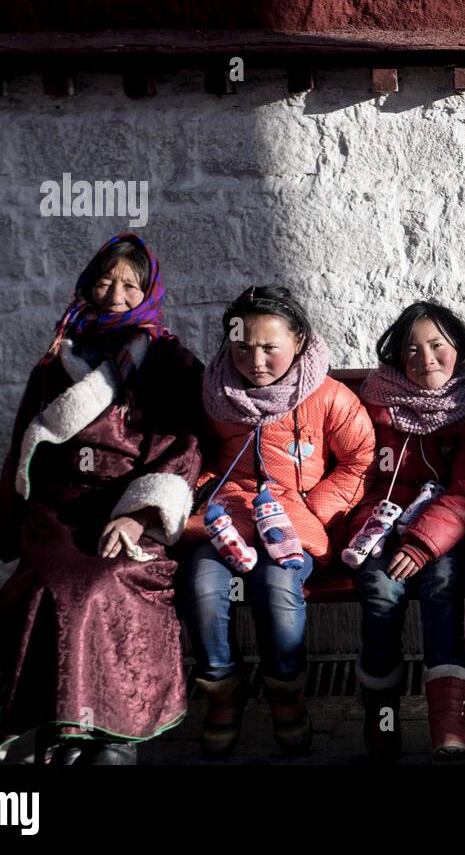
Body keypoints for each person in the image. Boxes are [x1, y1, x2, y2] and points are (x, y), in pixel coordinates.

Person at [0, 233, 205, 764]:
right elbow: (27, 440)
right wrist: (18, 519)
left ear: (149, 290)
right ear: (88, 284)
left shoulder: (170, 360)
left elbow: (185, 445)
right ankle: (59, 729)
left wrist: (138, 517)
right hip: (60, 511)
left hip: (130, 508)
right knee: (48, 584)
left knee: (105, 582)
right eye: (106, 280)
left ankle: (114, 734)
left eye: (131, 284)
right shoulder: (58, 358)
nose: (117, 293)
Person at [180, 285, 375, 757]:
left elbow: (360, 460)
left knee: (277, 584)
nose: (256, 359)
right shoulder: (215, 392)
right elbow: (195, 454)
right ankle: (222, 690)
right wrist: (207, 492)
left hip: (296, 519)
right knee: (202, 584)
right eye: (243, 346)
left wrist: (314, 513)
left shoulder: (328, 396)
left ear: (300, 342)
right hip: (228, 516)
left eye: (271, 346)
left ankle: (287, 693)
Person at [346, 300, 465, 761]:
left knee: (444, 586)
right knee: (381, 589)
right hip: (383, 524)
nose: (425, 359)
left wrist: (423, 542)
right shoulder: (377, 403)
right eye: (411, 349)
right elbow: (358, 476)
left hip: (443, 533)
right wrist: (370, 529)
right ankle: (381, 710)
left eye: (436, 346)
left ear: (460, 348)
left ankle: (449, 722)